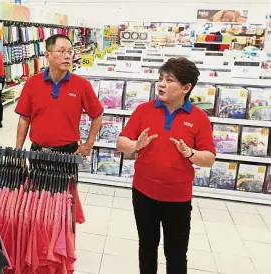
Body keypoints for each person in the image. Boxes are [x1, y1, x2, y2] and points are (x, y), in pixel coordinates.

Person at [116, 57, 216, 274]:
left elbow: (208, 158)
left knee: (176, 252)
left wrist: (189, 153)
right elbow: (121, 142)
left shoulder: (199, 118)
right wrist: (135, 144)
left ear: (186, 88)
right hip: (143, 193)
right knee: (147, 246)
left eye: (169, 80)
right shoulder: (144, 110)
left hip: (178, 198)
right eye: (160, 78)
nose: (161, 84)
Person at [15, 34, 103, 155]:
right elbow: (24, 118)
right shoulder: (32, 83)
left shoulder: (82, 85)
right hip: (37, 152)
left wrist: (89, 143)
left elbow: (97, 114)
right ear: (47, 55)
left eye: (70, 52)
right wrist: (18, 150)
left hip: (68, 153)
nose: (67, 56)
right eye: (61, 51)